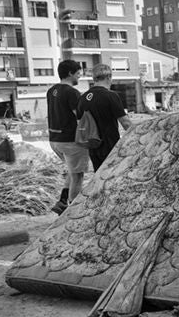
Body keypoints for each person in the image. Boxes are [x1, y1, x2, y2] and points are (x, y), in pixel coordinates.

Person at [47, 60, 92, 214]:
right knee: (78, 176)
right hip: (70, 141)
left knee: (72, 171)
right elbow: (80, 119)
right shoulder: (72, 92)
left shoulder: (51, 90)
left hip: (54, 140)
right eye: (78, 73)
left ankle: (62, 201)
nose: (79, 76)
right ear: (70, 73)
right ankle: (72, 210)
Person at [77, 65, 133, 171]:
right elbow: (126, 123)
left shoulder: (82, 98)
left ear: (94, 79)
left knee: (99, 177)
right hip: (110, 145)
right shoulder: (110, 95)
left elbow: (80, 124)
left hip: (93, 146)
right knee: (112, 177)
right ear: (109, 77)